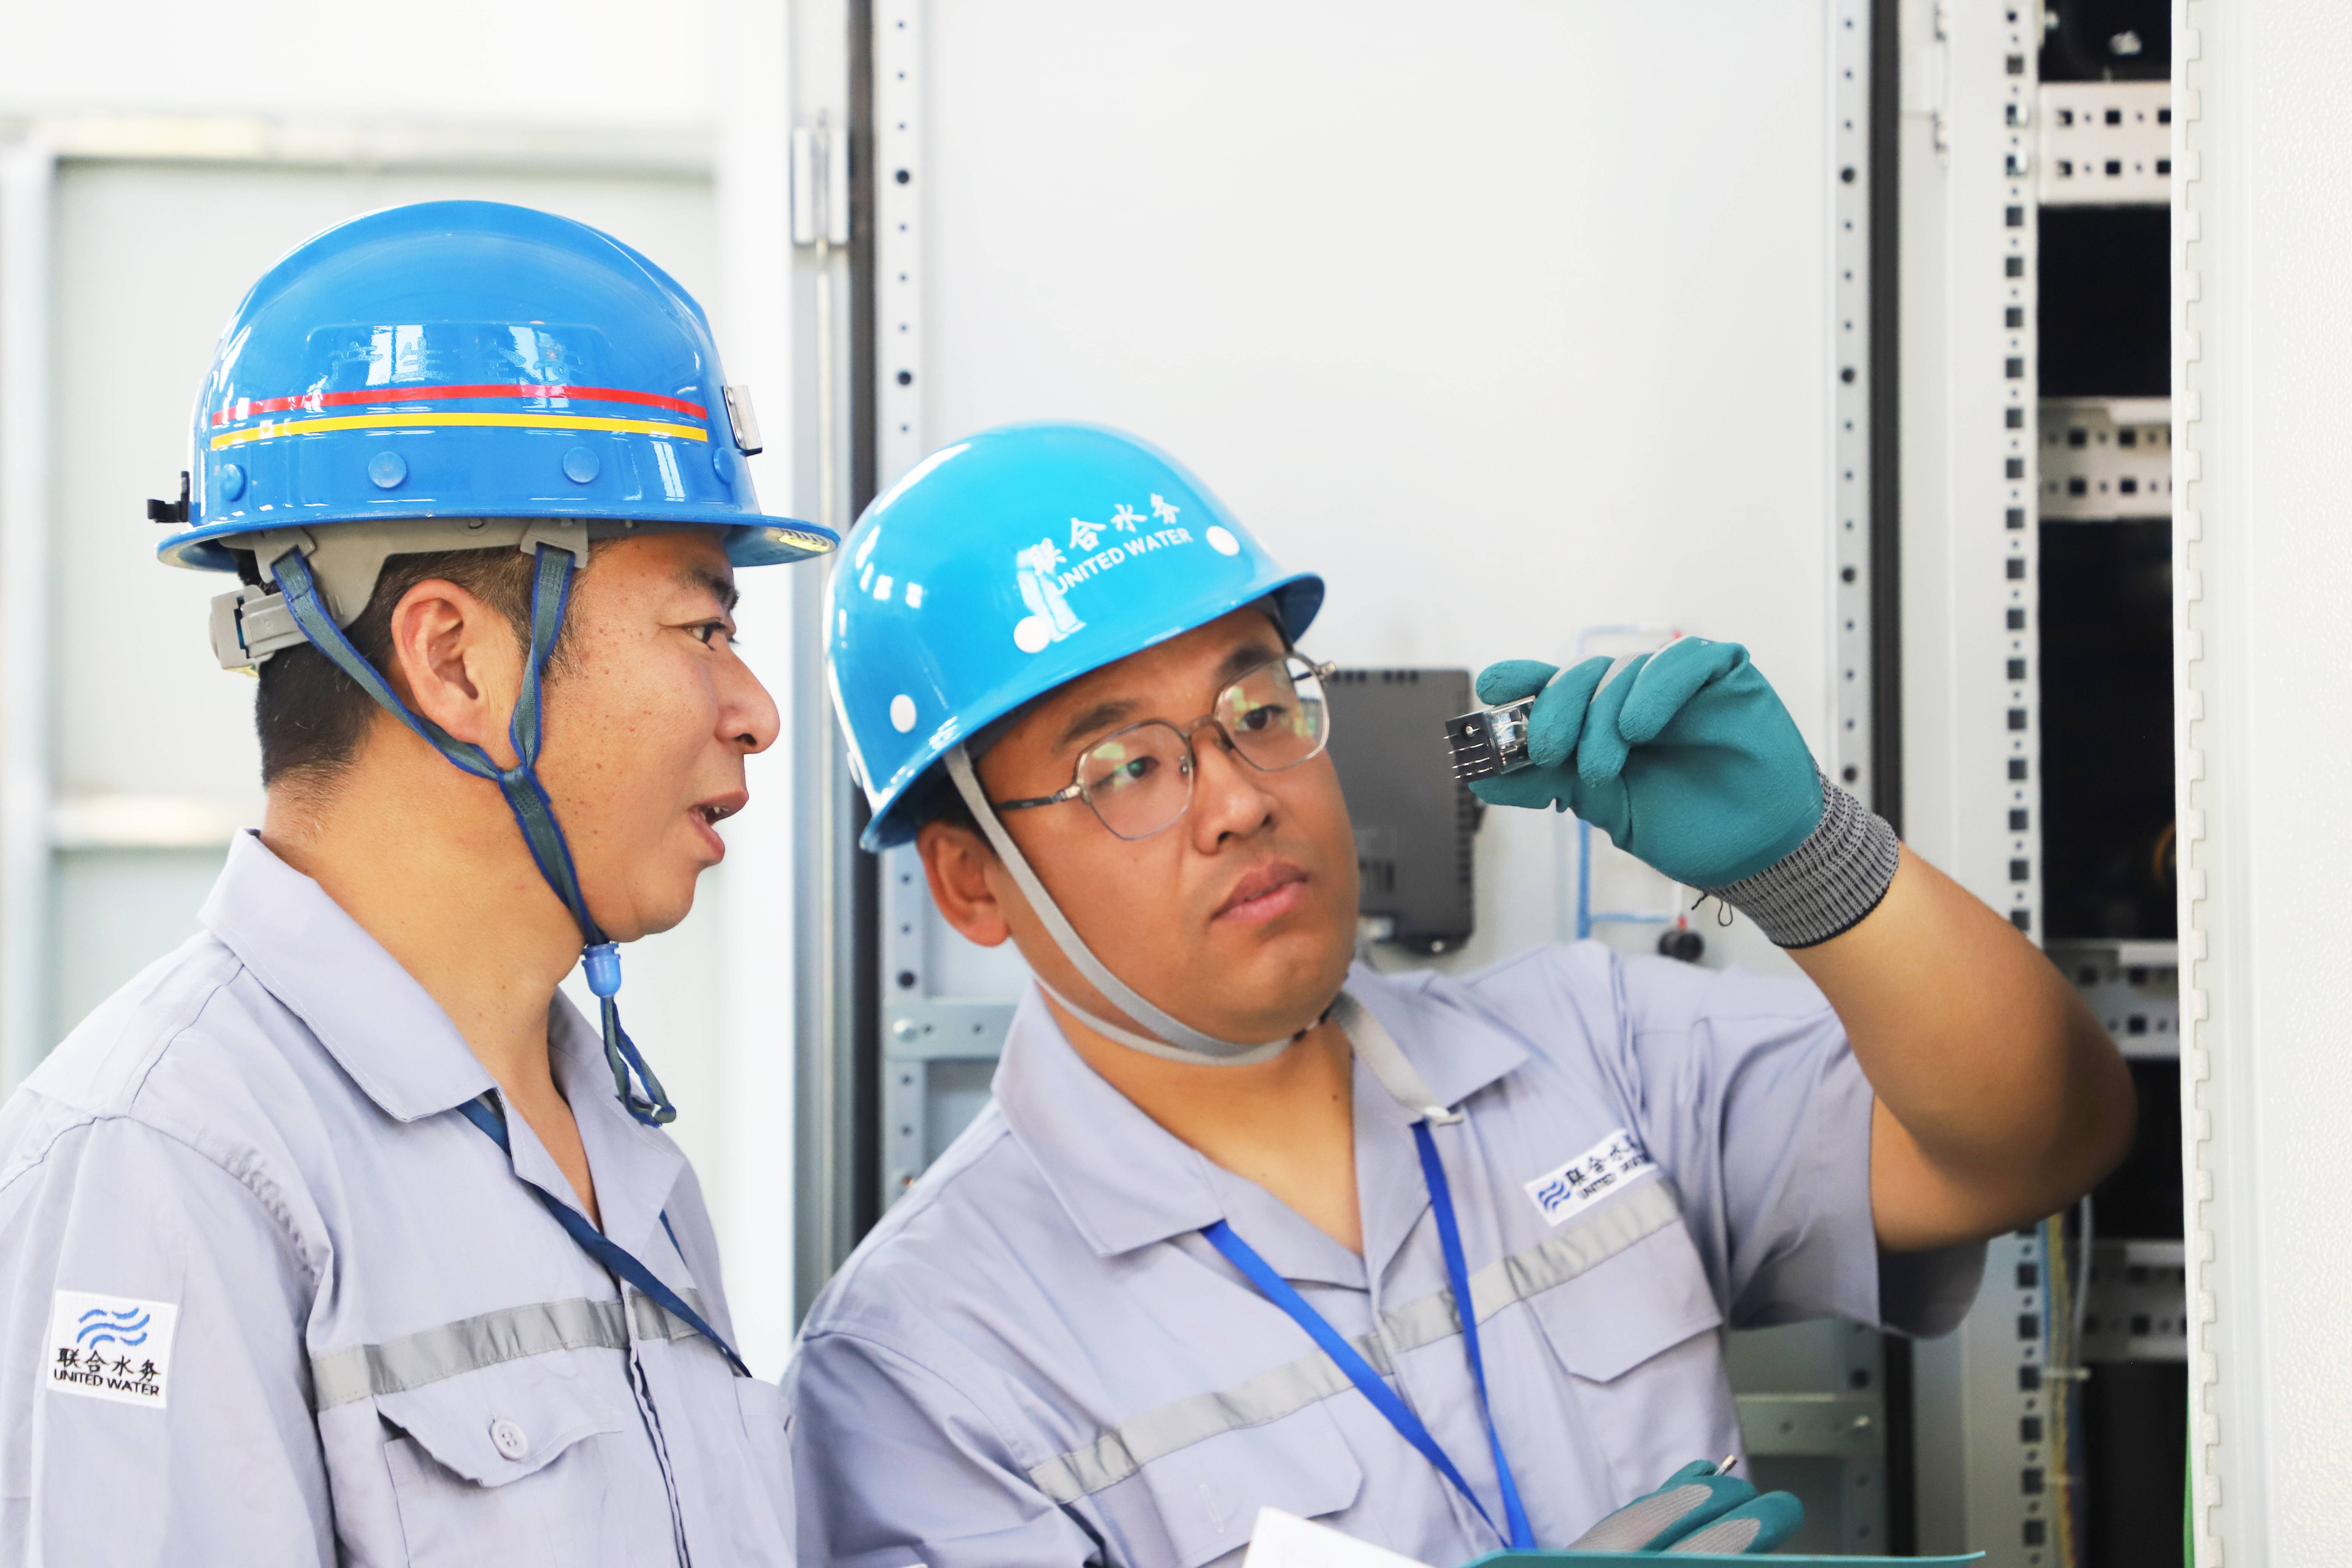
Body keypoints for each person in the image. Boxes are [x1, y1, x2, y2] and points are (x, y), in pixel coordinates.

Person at [791, 423, 2135, 1567]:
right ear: (972, 882)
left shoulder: (1588, 1051)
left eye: (1259, 711)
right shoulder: (930, 1365)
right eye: (1128, 768)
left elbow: (2044, 1141)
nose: (1242, 800)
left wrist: (1811, 866)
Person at [0, 202, 833, 1566]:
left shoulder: (623, 1152)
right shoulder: (166, 1171)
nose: (755, 712)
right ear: (456, 662)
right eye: (703, 626)